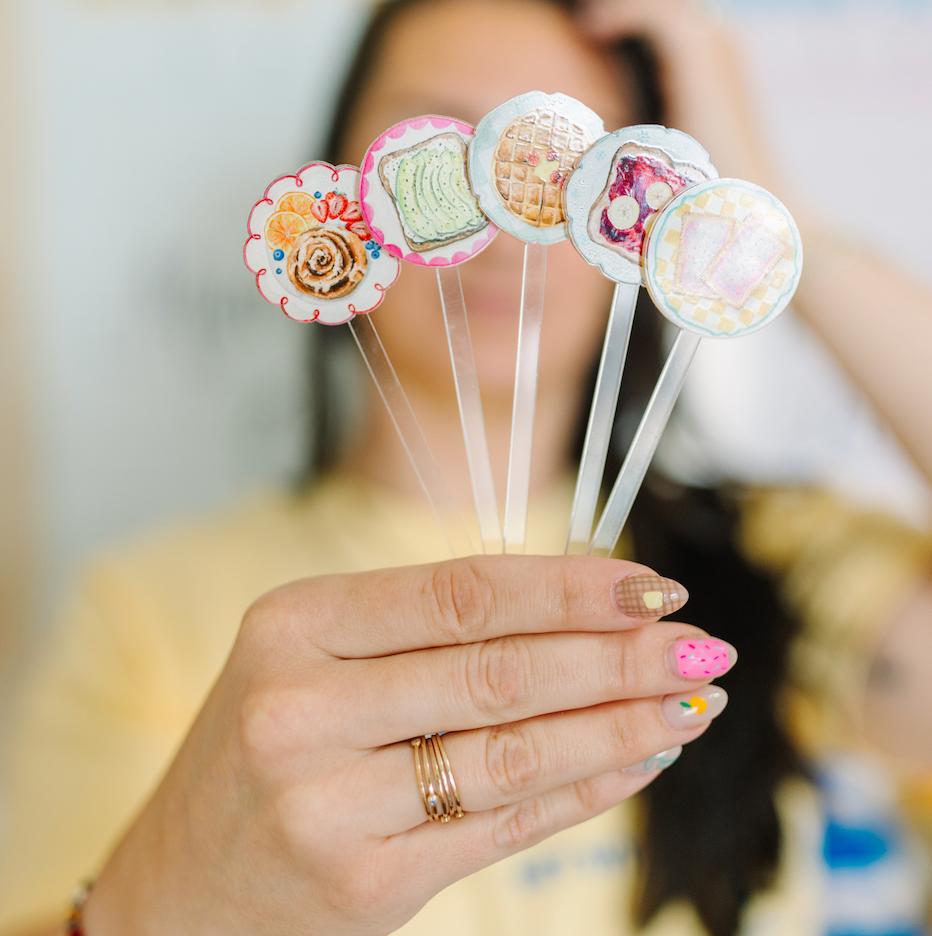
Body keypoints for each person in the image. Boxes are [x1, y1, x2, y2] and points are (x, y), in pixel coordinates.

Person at [2, 1, 931, 934]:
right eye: (446, 163)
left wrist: (763, 221)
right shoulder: (146, 611)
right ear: (340, 199)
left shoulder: (768, 554)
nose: (505, 225)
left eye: (572, 169)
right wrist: (165, 896)